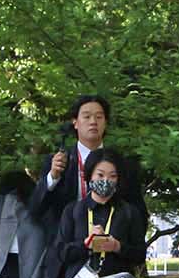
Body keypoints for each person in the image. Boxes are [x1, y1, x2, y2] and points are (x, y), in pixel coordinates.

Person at [38, 149, 147, 278]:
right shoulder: (73, 210)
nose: (106, 181)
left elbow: (140, 254)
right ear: (90, 176)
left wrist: (117, 247)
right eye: (100, 175)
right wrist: (85, 244)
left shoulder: (129, 212)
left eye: (112, 176)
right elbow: (60, 253)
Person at [31, 95, 116, 235]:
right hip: (66, 247)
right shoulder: (58, 162)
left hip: (109, 245)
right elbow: (36, 210)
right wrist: (53, 177)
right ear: (75, 122)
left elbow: (136, 212)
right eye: (87, 116)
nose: (93, 122)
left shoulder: (119, 163)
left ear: (105, 122)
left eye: (99, 117)